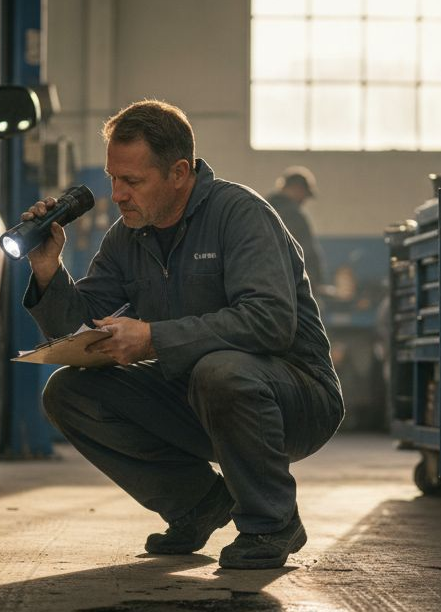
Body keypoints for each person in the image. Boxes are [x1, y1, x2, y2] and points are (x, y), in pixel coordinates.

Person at [20, 99, 344, 569]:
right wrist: (48, 268)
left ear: (178, 172)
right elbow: (76, 329)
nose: (118, 194)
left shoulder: (240, 214)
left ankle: (273, 522)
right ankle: (196, 504)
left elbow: (270, 320)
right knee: (69, 392)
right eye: (113, 179)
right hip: (198, 394)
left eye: (132, 181)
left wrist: (152, 339)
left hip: (295, 397)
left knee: (222, 370)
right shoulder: (126, 237)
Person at [265, 166, 326, 290]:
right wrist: (313, 281)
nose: (304, 200)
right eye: (305, 195)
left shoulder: (262, 209)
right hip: (294, 285)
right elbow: (305, 251)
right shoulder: (294, 216)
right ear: (298, 189)